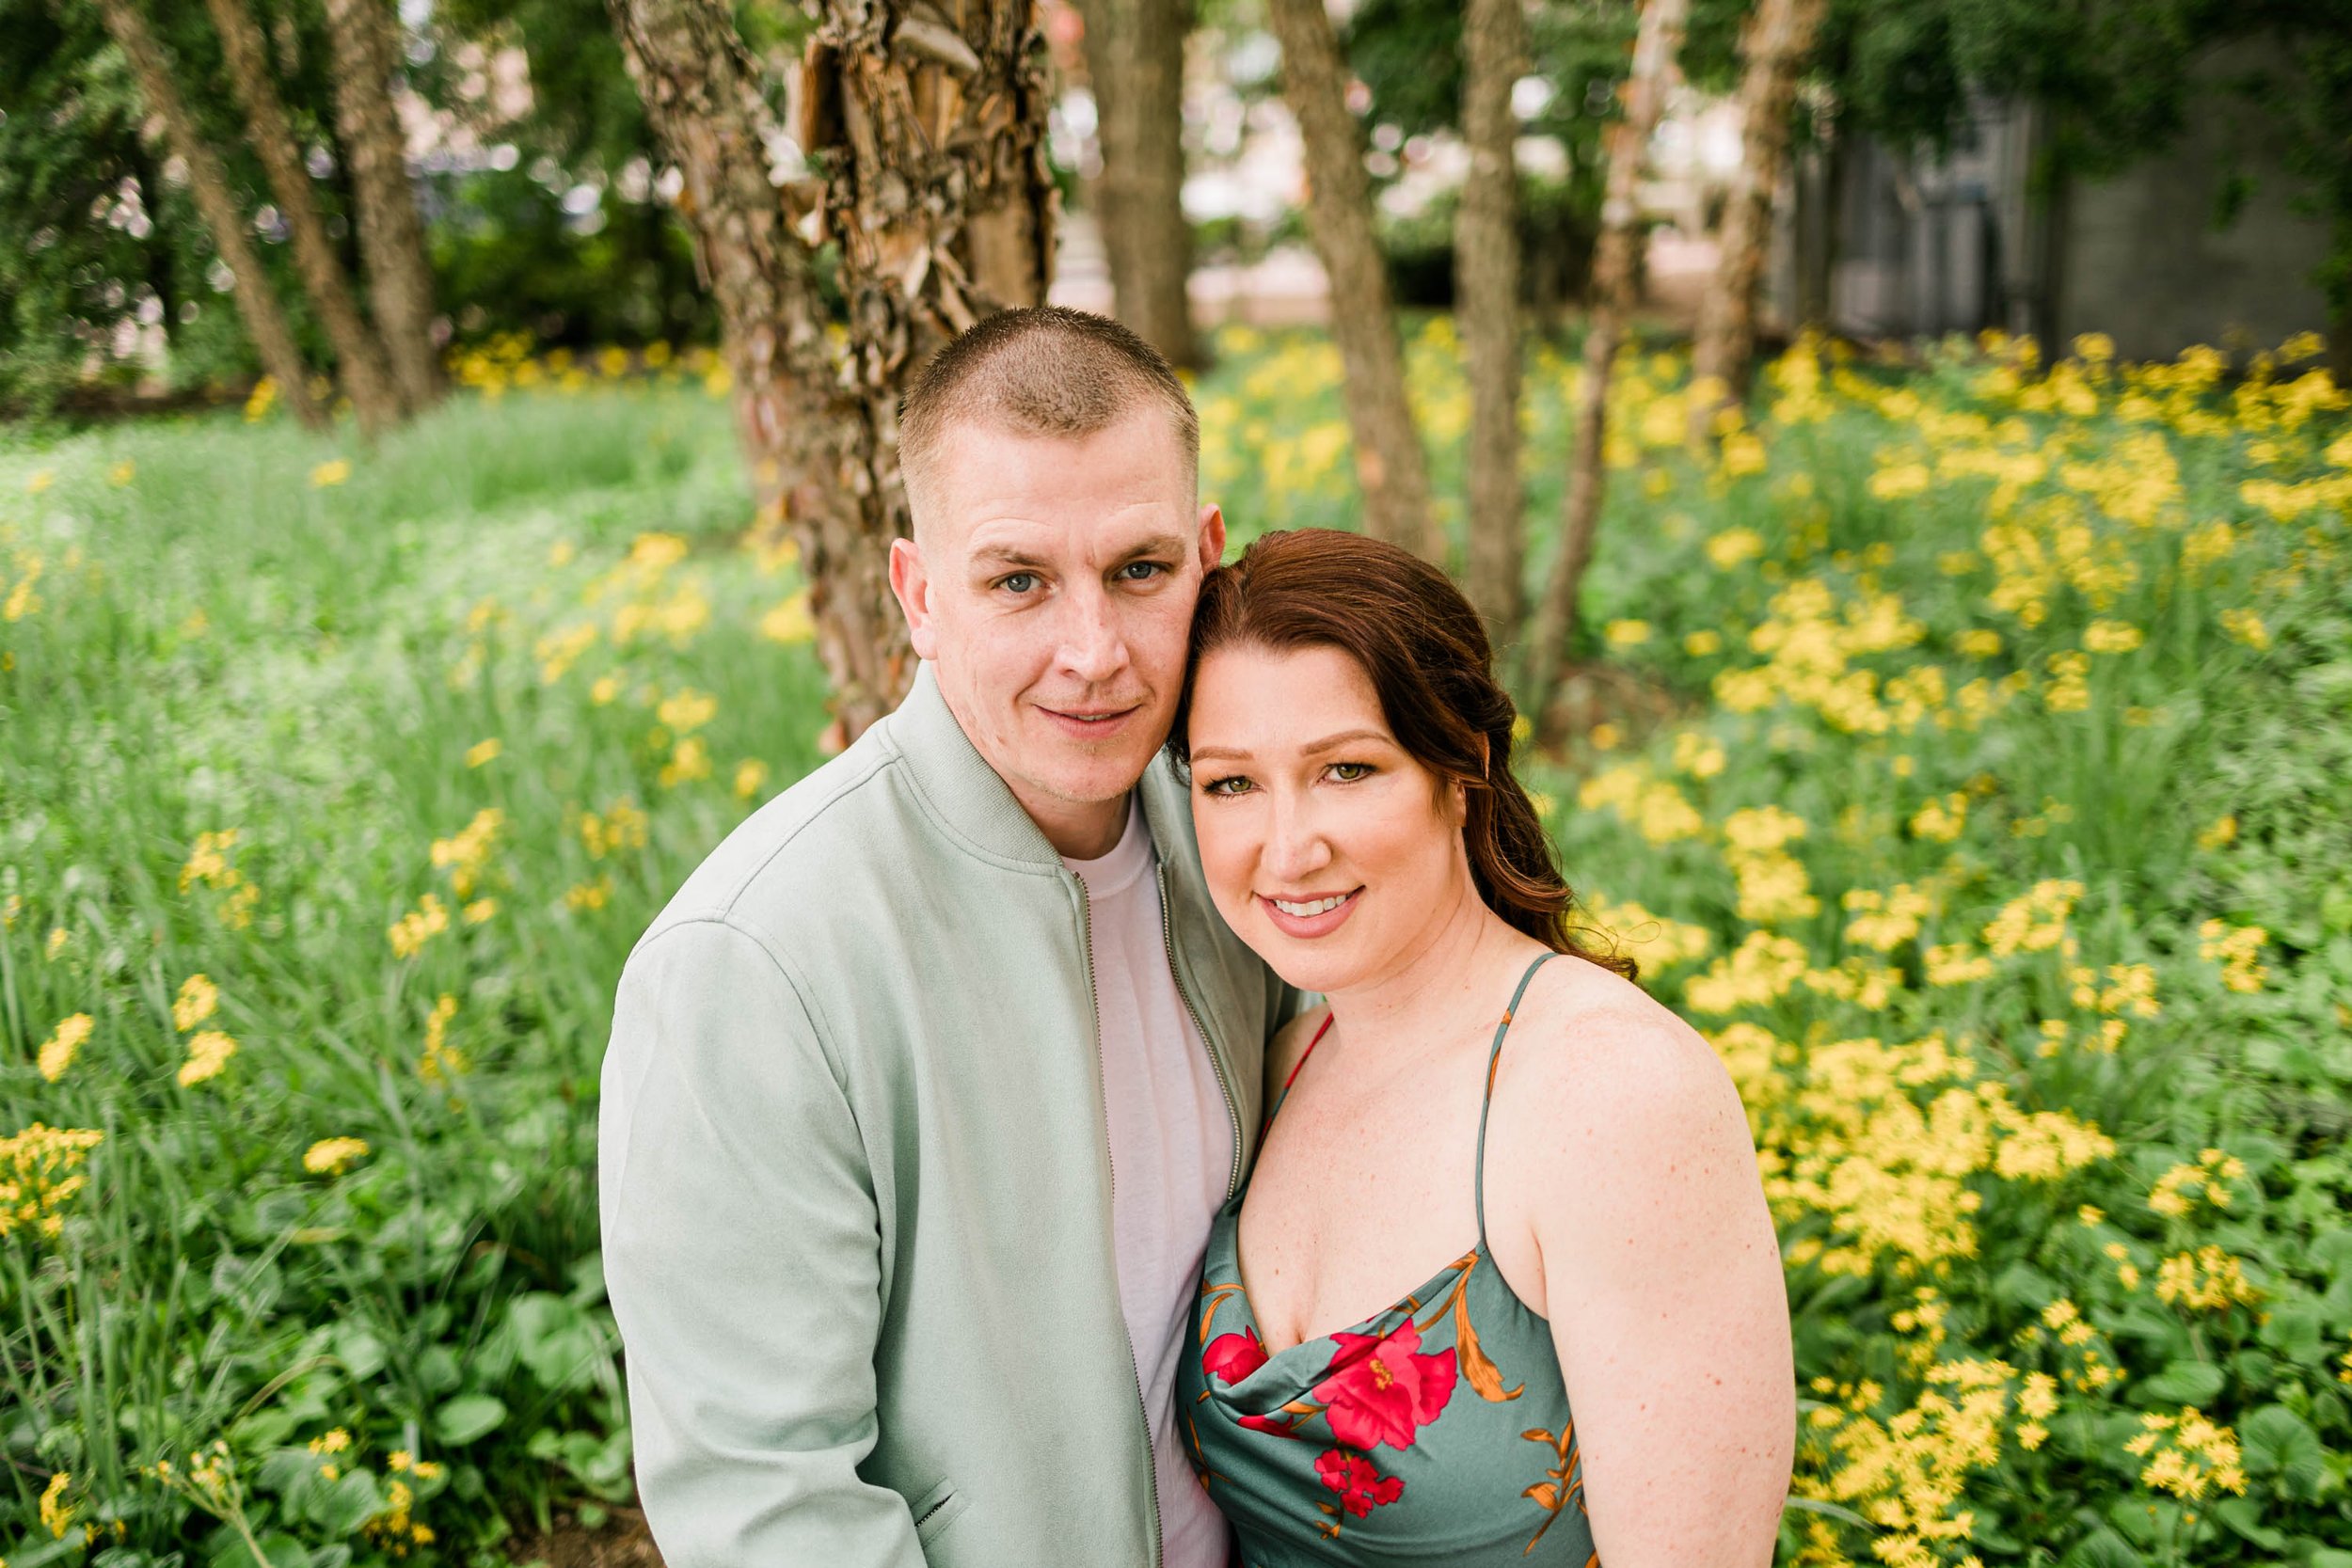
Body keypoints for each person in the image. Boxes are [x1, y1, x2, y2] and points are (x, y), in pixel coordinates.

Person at [597, 307, 1298, 1568]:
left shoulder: (1242, 851)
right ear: (919, 594)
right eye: (1019, 579)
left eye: (1138, 569)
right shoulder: (750, 961)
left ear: (1206, 560)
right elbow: (767, 1500)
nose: (1090, 652)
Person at [1172, 529, 1794, 1566]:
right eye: (1232, 783)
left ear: (1460, 767)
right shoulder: (1286, 1058)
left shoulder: (1609, 1095)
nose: (1286, 848)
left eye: (1346, 768)